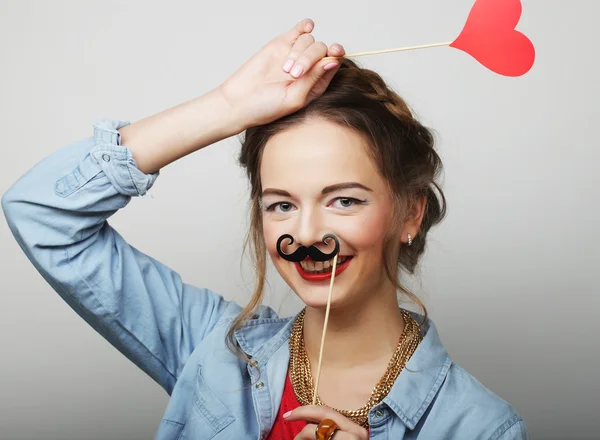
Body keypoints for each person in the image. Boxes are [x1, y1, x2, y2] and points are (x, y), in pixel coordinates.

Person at [2, 18, 528, 440]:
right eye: (280, 205)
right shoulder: (210, 348)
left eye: (343, 200)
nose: (305, 234)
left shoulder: (481, 427)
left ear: (410, 214)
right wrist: (226, 107)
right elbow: (40, 212)